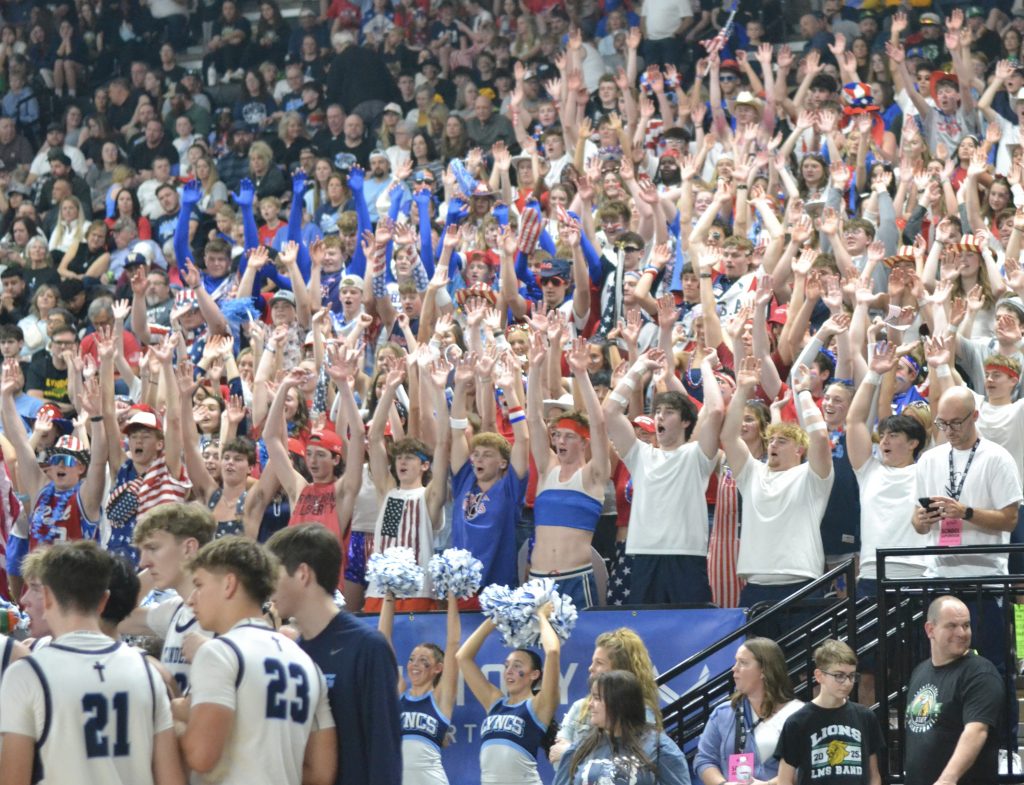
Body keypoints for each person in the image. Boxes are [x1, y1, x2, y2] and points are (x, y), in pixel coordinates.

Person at [0, 541, 186, 785]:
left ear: (46, 597)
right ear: (103, 600)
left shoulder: (26, 674)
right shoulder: (149, 672)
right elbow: (172, 780)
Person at [176, 537, 338, 785]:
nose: (191, 599)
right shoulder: (308, 663)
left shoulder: (218, 652)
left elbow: (201, 757)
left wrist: (167, 726)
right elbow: (320, 774)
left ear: (229, 584)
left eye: (199, 585)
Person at [266, 523, 402, 785]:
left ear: (303, 573)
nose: (268, 587)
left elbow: (385, 753)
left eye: (274, 574)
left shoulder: (367, 647)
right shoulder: (295, 653)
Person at [602, 348, 725, 604]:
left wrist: (706, 368)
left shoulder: (697, 455)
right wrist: (638, 368)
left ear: (685, 422)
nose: (659, 416)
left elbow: (714, 411)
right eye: (658, 411)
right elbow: (610, 410)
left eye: (668, 412)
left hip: (686, 556)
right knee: (646, 633)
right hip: (643, 555)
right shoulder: (640, 454)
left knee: (692, 628)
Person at [526, 336, 609, 609]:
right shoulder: (547, 468)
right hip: (537, 581)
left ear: (584, 442)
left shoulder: (593, 475)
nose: (560, 442)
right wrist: (535, 368)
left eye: (569, 437)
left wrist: (581, 373)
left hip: (575, 580)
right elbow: (533, 421)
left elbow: (598, 424)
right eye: (557, 436)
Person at [903, 595, 1005, 785]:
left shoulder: (980, 673)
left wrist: (947, 779)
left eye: (966, 625)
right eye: (952, 626)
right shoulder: (920, 671)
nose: (961, 633)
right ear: (930, 629)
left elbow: (977, 730)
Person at [119, 502, 217, 695]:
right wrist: (154, 571)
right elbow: (117, 617)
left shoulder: (223, 611)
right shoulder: (175, 611)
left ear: (189, 548)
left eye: (152, 548)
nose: (143, 562)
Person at [456, 606, 561, 785]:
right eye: (507, 666)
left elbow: (552, 652)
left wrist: (541, 616)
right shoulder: (495, 702)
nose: (509, 671)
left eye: (517, 666)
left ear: (534, 674)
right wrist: (496, 616)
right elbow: (462, 657)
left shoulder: (539, 705)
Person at [379, 583, 460, 785]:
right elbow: (383, 639)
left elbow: (453, 644)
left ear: (438, 669)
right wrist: (389, 591)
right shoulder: (400, 693)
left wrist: (452, 592)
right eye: (412, 659)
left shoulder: (440, 698)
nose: (415, 665)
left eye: (424, 661)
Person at [694, 638, 804, 785]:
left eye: (743, 663)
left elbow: (806, 766)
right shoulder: (723, 714)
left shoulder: (798, 714)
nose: (734, 668)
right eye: (736, 661)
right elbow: (704, 759)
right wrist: (723, 784)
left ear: (764, 670)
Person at [775, 639, 885, 785]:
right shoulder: (798, 722)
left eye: (852, 676)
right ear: (819, 676)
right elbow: (784, 780)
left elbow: (874, 776)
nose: (847, 683)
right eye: (839, 675)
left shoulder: (866, 717)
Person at [553, 670, 690, 785]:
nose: (590, 705)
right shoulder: (580, 748)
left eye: (597, 698)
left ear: (619, 703)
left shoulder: (661, 748)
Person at [550, 627, 662, 764]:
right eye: (593, 662)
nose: (590, 668)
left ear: (620, 671)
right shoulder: (579, 707)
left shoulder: (642, 712)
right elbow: (556, 758)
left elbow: (634, 762)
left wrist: (571, 753)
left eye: (599, 663)